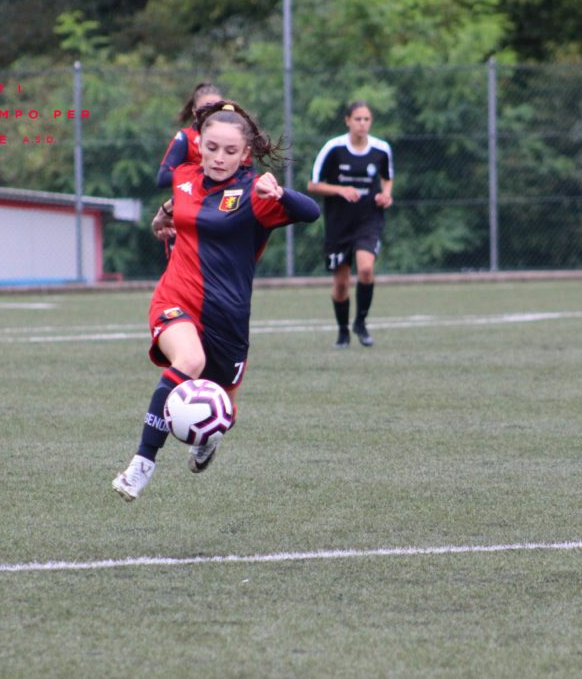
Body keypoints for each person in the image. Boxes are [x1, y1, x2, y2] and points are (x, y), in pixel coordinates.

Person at [113, 100, 321, 501]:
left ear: (245, 154)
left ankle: (208, 435)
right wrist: (162, 216)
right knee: (188, 362)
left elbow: (310, 212)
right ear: (199, 145)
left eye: (229, 151)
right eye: (211, 148)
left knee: (224, 412)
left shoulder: (254, 194)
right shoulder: (186, 177)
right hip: (176, 297)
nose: (218, 158)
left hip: (228, 316)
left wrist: (279, 190)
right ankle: (141, 465)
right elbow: (181, 207)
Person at [307, 101, 393, 348]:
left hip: (369, 219)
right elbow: (313, 185)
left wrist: (385, 195)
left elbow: (387, 179)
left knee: (366, 269)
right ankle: (343, 331)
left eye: (366, 119)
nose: (362, 124)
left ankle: (361, 323)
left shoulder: (381, 149)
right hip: (339, 223)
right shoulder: (333, 148)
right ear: (347, 120)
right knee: (341, 283)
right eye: (358, 119)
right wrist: (340, 189)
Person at [156, 82, 223, 189]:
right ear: (194, 111)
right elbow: (163, 178)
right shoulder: (186, 137)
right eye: (206, 107)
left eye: (217, 108)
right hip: (199, 201)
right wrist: (201, 172)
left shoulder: (235, 137)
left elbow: (248, 175)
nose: (212, 113)